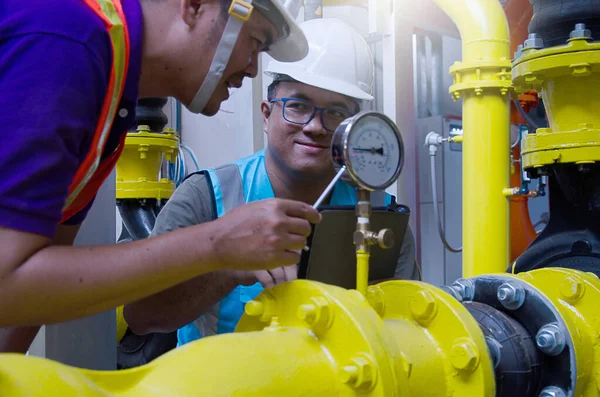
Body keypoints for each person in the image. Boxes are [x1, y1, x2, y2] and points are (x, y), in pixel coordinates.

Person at [0, 0, 320, 354]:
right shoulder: (69, 39)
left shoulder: (109, 107)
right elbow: (6, 283)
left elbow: (31, 297)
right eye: (255, 42)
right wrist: (217, 244)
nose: (252, 70)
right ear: (195, 6)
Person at [123, 18, 418, 346]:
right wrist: (229, 267)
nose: (315, 126)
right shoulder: (206, 196)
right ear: (266, 114)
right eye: (298, 105)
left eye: (335, 113)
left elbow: (408, 330)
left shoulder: (382, 217)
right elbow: (141, 315)